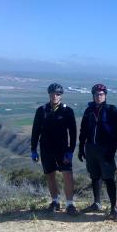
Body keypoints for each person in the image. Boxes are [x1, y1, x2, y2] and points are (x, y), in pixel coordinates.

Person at [31, 83, 78, 216]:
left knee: (68, 176)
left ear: (61, 95)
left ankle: (70, 204)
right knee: (50, 176)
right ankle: (55, 201)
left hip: (63, 149)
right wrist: (33, 149)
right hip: (46, 149)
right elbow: (35, 131)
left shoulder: (67, 111)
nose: (55, 96)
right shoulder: (41, 110)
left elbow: (73, 133)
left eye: (57, 94)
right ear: (49, 95)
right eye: (52, 93)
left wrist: (71, 150)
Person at [78, 84, 117, 219]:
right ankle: (97, 203)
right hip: (91, 147)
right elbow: (83, 130)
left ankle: (114, 207)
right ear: (93, 95)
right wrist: (81, 147)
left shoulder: (112, 110)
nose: (99, 96)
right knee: (94, 176)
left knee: (109, 178)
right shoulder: (88, 111)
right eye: (97, 94)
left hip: (106, 148)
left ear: (105, 95)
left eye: (101, 94)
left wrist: (112, 151)